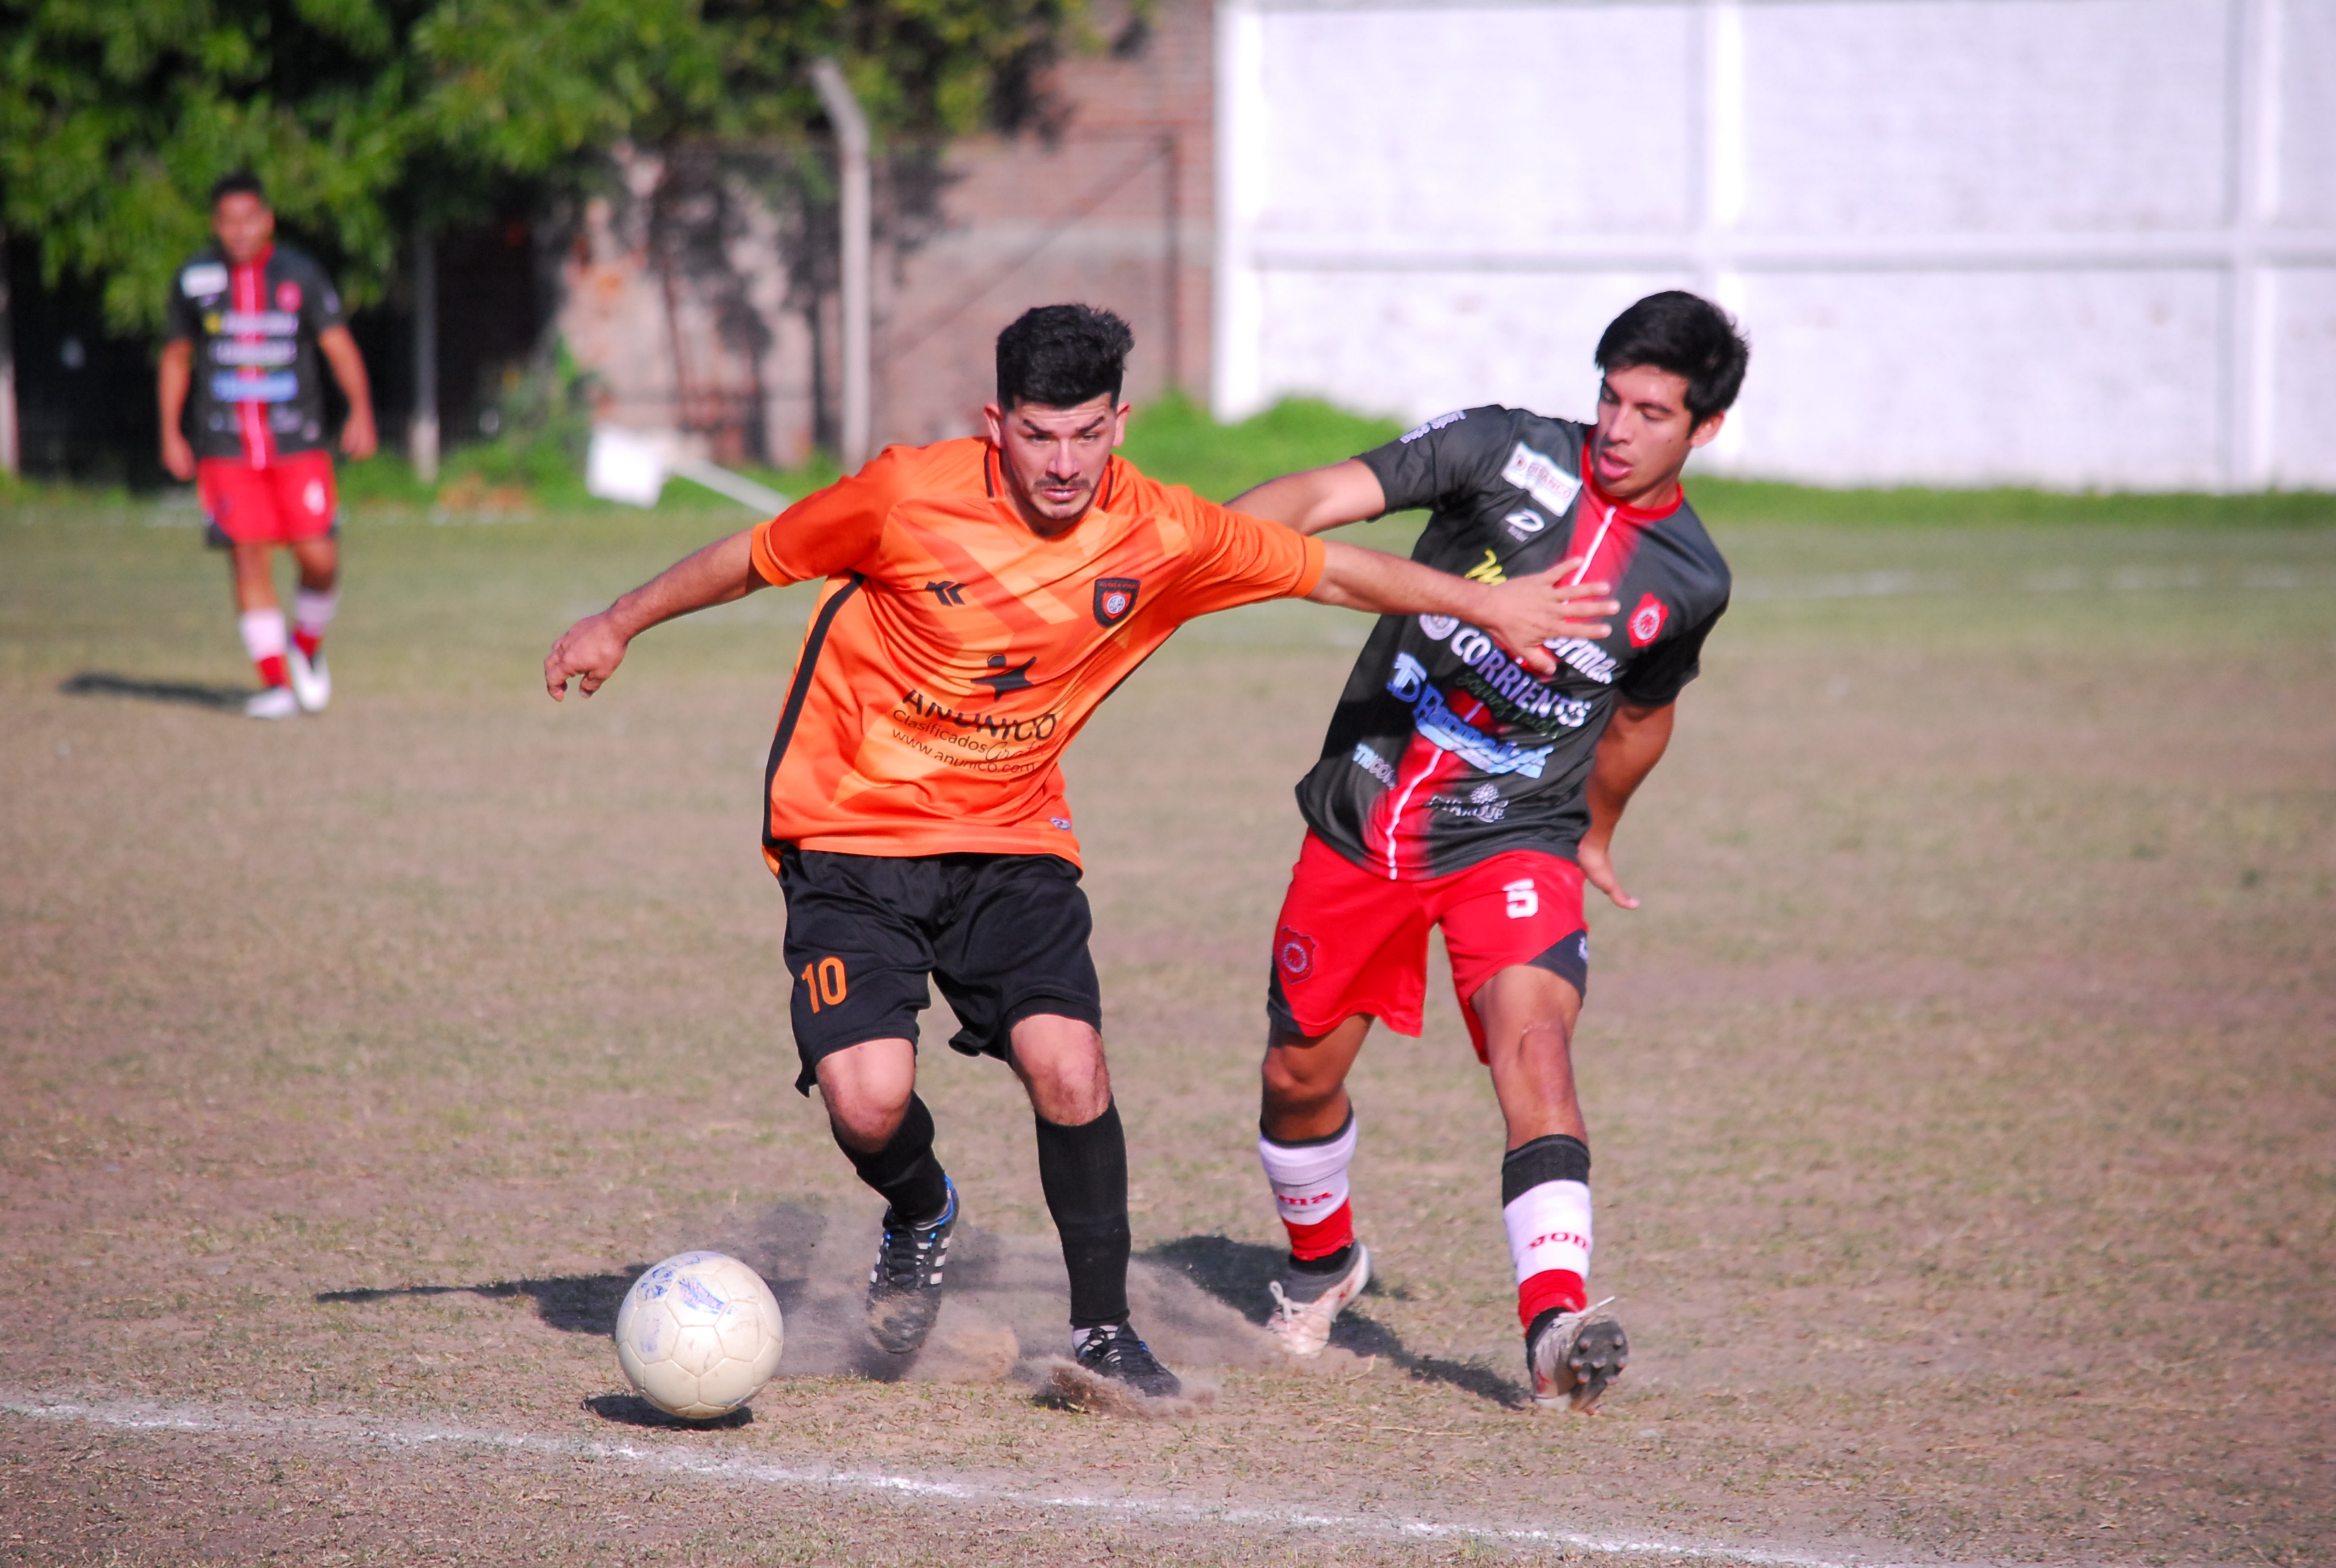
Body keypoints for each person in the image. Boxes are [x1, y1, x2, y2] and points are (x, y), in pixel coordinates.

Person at [542, 306, 1617, 1398]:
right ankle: (922, 1209)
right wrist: (618, 621)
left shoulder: (1160, 529)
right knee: (865, 1102)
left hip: (1012, 839)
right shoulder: (904, 496)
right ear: (995, 422)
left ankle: (1103, 1331)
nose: (1063, 464)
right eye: (1039, 435)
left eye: (1087, 435)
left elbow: (1328, 572)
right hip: (849, 834)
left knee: (1069, 1064)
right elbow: (751, 557)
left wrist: (1484, 604)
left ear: (1120, 423)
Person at [1228, 291, 1750, 1412]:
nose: (1618, 428)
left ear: (1703, 429)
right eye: (1610, 398)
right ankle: (1322, 1263)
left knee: (1537, 1050)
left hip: (1517, 836)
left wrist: (1598, 830)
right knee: (1297, 1077)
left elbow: (1642, 716)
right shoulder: (1501, 448)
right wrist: (1202, 540)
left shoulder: (1690, 579)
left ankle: (1555, 1324)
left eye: (1652, 413)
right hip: (1368, 813)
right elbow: (1321, 495)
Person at [160, 171, 378, 719]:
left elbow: (338, 345)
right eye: (228, 221)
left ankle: (306, 645)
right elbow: (177, 357)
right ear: (216, 225)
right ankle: (277, 684)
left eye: (248, 219)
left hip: (296, 441)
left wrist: (361, 410)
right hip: (226, 446)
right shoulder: (195, 279)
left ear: (267, 221)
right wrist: (170, 431)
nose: (239, 231)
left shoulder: (299, 274)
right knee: (248, 557)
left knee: (319, 556)